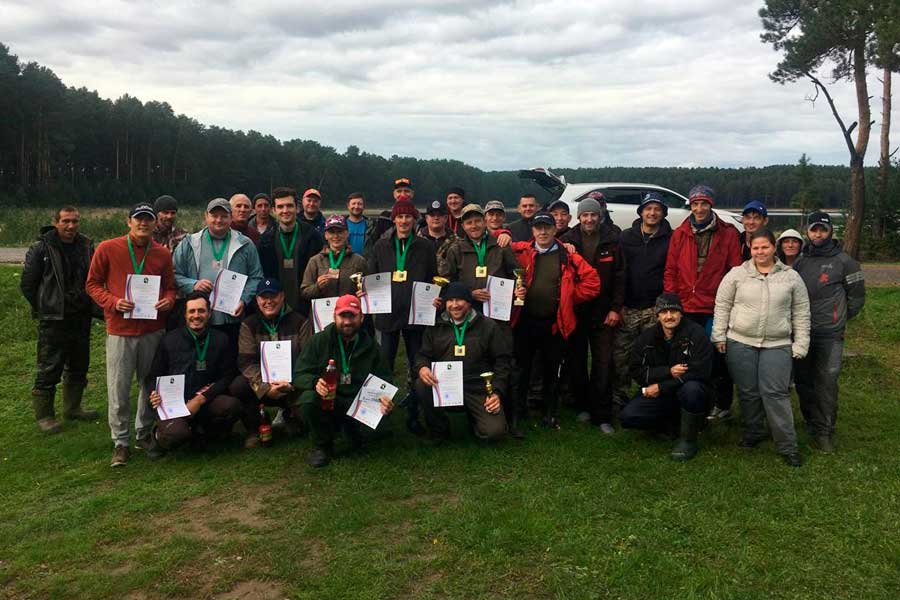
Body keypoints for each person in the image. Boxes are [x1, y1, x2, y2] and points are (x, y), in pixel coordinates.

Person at [86, 202, 176, 467]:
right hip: (121, 330)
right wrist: (113, 301)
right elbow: (92, 284)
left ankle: (144, 432)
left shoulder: (162, 254)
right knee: (119, 387)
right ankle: (120, 442)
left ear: (154, 223)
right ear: (129, 222)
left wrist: (168, 301)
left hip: (152, 329)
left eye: (148, 219)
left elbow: (170, 289)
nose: (143, 223)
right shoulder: (107, 248)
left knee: (150, 385)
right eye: (139, 219)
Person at [712, 229, 810, 467]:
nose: (760, 252)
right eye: (755, 248)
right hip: (740, 341)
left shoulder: (791, 277)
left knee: (775, 393)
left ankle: (787, 445)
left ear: (773, 247)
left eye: (765, 247)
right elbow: (722, 305)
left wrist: (801, 343)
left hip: (777, 344)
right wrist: (719, 335)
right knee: (748, 391)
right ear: (750, 249)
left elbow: (801, 312)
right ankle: (753, 432)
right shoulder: (737, 274)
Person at [510, 212, 601, 430]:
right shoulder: (522, 251)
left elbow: (593, 282)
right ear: (532, 230)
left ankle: (550, 413)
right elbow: (497, 240)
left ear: (554, 229)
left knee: (553, 370)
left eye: (547, 227)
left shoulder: (567, 255)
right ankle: (518, 410)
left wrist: (569, 296)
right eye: (538, 227)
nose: (542, 232)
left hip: (555, 323)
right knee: (522, 368)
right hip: (525, 321)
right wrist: (504, 232)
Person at [664, 184, 742, 421]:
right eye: (695, 204)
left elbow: (735, 271)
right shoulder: (680, 232)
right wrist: (671, 300)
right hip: (686, 306)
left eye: (703, 204)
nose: (699, 208)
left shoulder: (727, 233)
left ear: (711, 205)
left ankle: (723, 404)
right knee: (686, 356)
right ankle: (689, 401)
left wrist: (728, 301)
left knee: (718, 357)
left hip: (714, 307)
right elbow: (671, 269)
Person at [792, 211, 865, 453]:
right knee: (803, 381)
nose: (818, 234)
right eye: (814, 230)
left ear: (831, 231)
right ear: (808, 232)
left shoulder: (845, 261)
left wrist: (839, 318)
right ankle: (811, 422)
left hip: (830, 334)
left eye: (823, 229)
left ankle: (825, 432)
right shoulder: (801, 261)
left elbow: (856, 298)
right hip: (803, 332)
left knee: (826, 382)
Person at [293, 295, 394, 467]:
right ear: (334, 317)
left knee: (377, 433)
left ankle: (351, 430)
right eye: (343, 316)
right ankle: (322, 447)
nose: (347, 321)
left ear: (361, 318)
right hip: (329, 400)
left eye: (352, 316)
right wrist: (315, 382)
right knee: (308, 399)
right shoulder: (319, 340)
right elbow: (299, 374)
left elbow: (384, 379)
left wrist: (386, 400)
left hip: (356, 402)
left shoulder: (372, 347)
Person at [21, 206, 98, 433]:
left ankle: (73, 407)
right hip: (54, 319)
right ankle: (45, 416)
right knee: (49, 367)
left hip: (81, 316)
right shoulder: (40, 248)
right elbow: (28, 284)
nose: (71, 226)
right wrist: (44, 306)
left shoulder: (86, 245)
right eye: (65, 221)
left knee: (79, 364)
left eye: (75, 221)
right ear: (55, 222)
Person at [367, 199, 437, 434]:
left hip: (416, 315)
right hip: (387, 315)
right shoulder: (381, 245)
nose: (404, 221)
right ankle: (379, 415)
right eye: (400, 216)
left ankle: (414, 413)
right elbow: (372, 276)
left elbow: (432, 278)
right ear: (394, 219)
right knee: (384, 363)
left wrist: (434, 298)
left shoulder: (425, 247)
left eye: (408, 217)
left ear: (414, 219)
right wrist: (365, 291)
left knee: (416, 364)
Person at [146, 292, 241, 458]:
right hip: (174, 403)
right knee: (177, 435)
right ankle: (158, 436)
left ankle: (205, 433)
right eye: (192, 311)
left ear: (209, 314)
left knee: (231, 406)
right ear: (185, 315)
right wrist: (153, 392)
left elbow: (227, 376)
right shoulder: (169, 340)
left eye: (201, 311)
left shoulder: (221, 339)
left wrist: (201, 399)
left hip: (205, 400)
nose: (196, 316)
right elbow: (153, 376)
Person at [619, 294, 714, 461]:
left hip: (691, 391)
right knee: (629, 416)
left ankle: (688, 440)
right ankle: (672, 425)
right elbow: (637, 371)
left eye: (673, 311)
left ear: (681, 314)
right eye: (664, 312)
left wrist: (662, 386)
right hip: (661, 394)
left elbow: (700, 372)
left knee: (692, 389)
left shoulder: (696, 333)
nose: (669, 316)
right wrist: (667, 372)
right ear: (657, 315)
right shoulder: (647, 337)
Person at [414, 283, 510, 443]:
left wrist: (497, 392)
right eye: (450, 300)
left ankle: (476, 420)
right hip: (444, 385)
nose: (454, 305)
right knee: (421, 384)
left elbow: (503, 361)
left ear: (469, 302)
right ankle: (439, 431)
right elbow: (422, 354)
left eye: (460, 300)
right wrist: (422, 367)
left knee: (494, 433)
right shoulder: (436, 326)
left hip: (477, 388)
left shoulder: (488, 326)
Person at [561, 196, 625, 432]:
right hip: (576, 312)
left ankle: (603, 415)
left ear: (600, 216)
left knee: (603, 363)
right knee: (576, 362)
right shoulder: (568, 240)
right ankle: (583, 406)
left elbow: (620, 276)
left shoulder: (612, 239)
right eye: (585, 215)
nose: (589, 219)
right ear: (578, 217)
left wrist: (615, 308)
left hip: (604, 312)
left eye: (593, 215)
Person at [230, 278, 312, 448]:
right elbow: (247, 362)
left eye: (273, 296)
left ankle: (291, 415)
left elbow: (307, 358)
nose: (268, 301)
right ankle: (255, 428)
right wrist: (265, 387)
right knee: (239, 385)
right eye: (263, 297)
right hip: (263, 385)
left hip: (292, 384)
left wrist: (291, 383)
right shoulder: (249, 324)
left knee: (306, 424)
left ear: (282, 296)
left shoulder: (300, 321)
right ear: (257, 300)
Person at [172, 198, 263, 347]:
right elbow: (174, 274)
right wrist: (193, 285)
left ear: (231, 217)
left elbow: (256, 277)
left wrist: (244, 299)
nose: (219, 220)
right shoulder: (189, 243)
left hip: (232, 318)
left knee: (229, 364)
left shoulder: (245, 244)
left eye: (224, 216)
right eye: (214, 216)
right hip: (198, 319)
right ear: (206, 216)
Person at [612, 192, 673, 408]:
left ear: (663, 213)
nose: (652, 213)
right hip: (628, 307)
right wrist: (616, 305)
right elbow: (617, 271)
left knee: (653, 355)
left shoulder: (671, 238)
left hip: (654, 308)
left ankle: (648, 397)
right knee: (621, 356)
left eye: (657, 209)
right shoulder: (626, 237)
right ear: (641, 212)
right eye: (648, 208)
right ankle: (619, 397)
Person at [258, 187, 324, 317]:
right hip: (276, 306)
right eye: (280, 207)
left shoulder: (312, 236)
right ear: (274, 210)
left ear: (297, 208)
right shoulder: (266, 240)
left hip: (306, 306)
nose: (285, 211)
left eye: (289, 206)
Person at [301, 215, 368, 301]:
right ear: (326, 235)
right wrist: (317, 287)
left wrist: (362, 295)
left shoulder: (359, 261)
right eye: (332, 232)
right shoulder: (315, 261)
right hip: (323, 312)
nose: (336, 236)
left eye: (340, 231)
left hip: (348, 311)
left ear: (347, 233)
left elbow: (368, 290)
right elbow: (304, 292)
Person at [418, 200, 457, 275]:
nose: (436, 218)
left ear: (445, 218)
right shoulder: (416, 241)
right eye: (432, 215)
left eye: (440, 215)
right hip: (423, 284)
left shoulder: (456, 241)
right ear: (426, 218)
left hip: (449, 283)